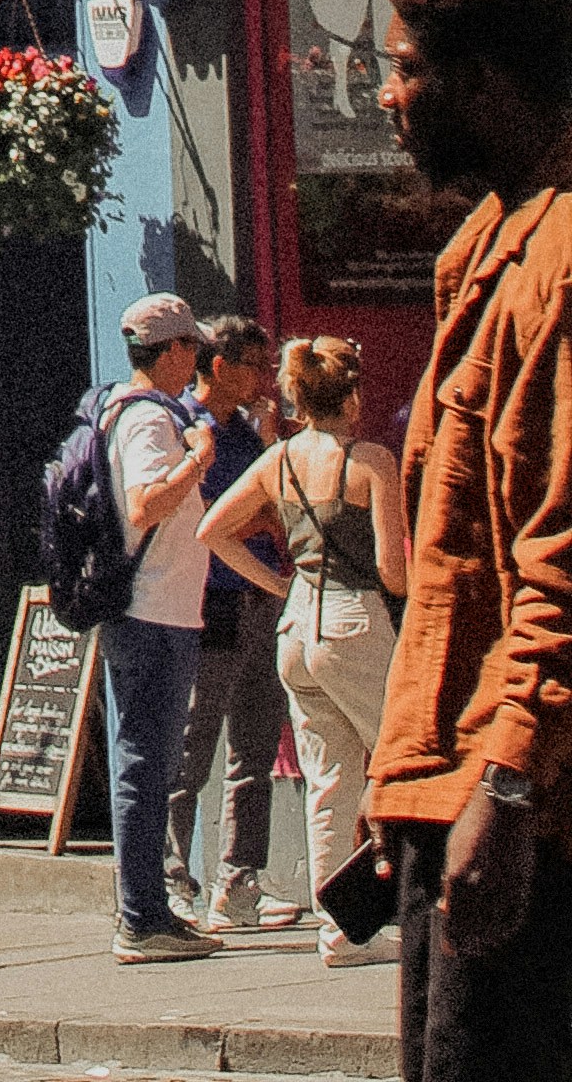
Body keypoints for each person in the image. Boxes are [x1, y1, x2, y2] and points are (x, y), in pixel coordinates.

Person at [367, 0, 572, 1082]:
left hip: (535, 815)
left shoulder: (561, 260)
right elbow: (456, 572)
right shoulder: (491, 241)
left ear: (484, 80)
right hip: (461, 790)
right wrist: (409, 767)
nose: (389, 98)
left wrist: (501, 782)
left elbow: (562, 563)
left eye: (405, 69)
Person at [203, 334, 409, 966]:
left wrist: (277, 580)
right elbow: (393, 572)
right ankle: (431, 909)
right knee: (406, 757)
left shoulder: (281, 459)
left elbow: (213, 530)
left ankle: (339, 933)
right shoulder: (371, 461)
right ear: (352, 394)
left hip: (296, 629)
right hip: (356, 623)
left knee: (328, 782)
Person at [100, 292, 224, 961]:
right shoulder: (146, 420)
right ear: (170, 350)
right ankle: (141, 918)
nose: (199, 359)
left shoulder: (146, 413)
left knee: (149, 763)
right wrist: (198, 459)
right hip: (151, 612)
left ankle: (148, 913)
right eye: (193, 348)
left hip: (160, 610)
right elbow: (147, 504)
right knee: (146, 765)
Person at [172, 317, 295, 933]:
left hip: (260, 604)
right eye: (253, 364)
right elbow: (202, 521)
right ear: (219, 365)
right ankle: (173, 883)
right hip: (212, 604)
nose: (264, 377)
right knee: (191, 749)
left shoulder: (247, 433)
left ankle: (239, 883)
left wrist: (271, 441)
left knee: (254, 747)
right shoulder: (188, 428)